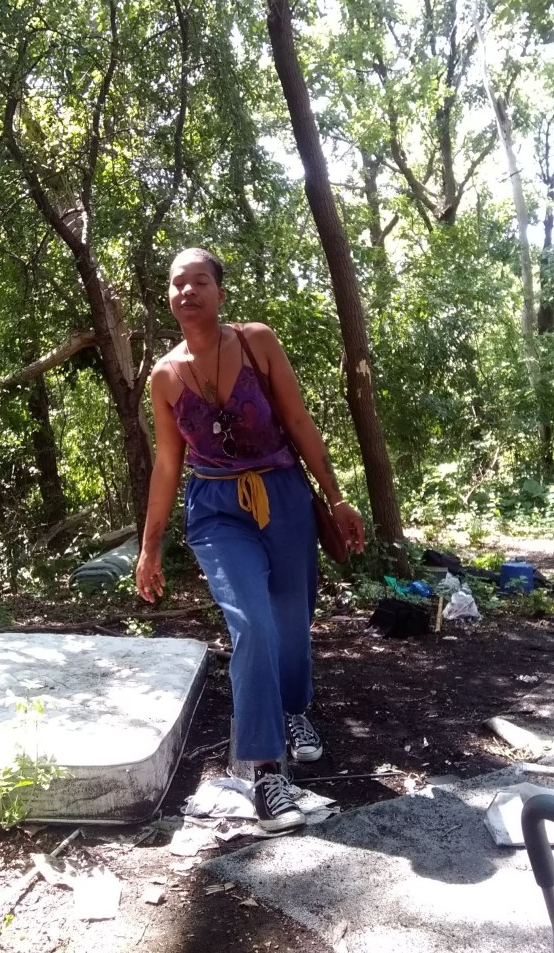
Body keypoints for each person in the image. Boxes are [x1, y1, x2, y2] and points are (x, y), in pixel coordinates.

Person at [135, 247, 365, 832]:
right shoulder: (164, 376)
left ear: (220, 291)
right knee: (252, 624)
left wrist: (335, 496)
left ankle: (293, 711)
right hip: (216, 509)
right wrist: (150, 544)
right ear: (169, 296)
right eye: (177, 284)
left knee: (291, 619)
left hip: (284, 493)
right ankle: (267, 772)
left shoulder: (257, 341)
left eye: (200, 281)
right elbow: (167, 466)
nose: (188, 291)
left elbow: (298, 421)